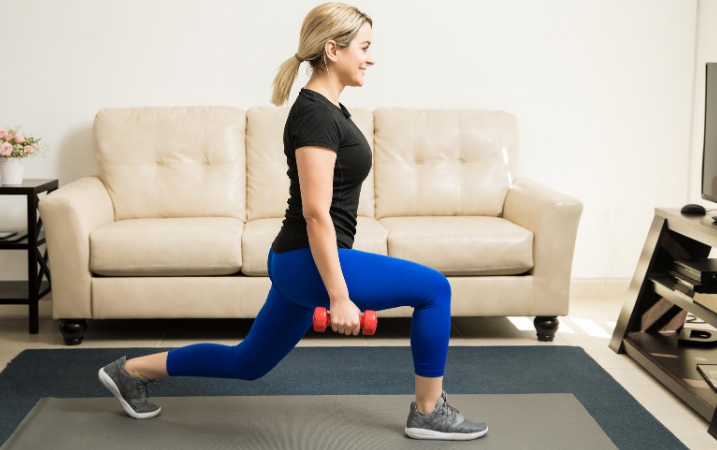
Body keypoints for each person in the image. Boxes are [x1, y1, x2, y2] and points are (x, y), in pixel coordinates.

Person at [98, 2, 488, 441]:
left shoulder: (329, 109)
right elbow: (315, 212)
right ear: (332, 49)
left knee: (248, 363)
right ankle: (428, 410)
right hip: (310, 258)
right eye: (364, 46)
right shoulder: (316, 116)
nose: (371, 57)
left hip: (297, 261)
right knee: (435, 289)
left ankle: (129, 372)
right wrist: (339, 296)